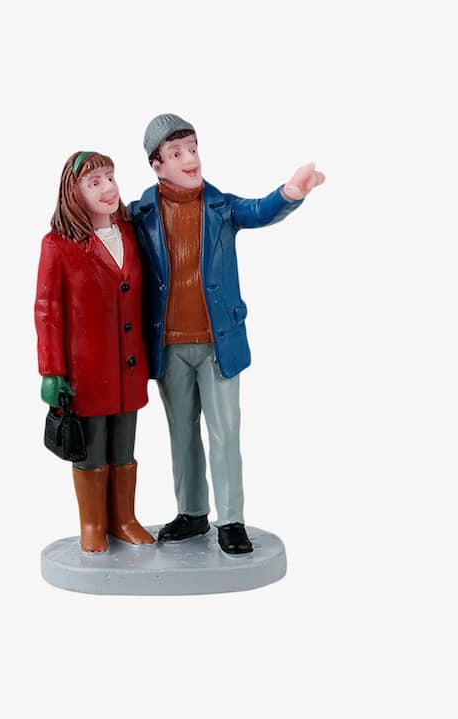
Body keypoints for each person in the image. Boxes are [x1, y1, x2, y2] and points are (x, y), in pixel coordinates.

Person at [129, 114, 325, 554]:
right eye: (176, 153)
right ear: (157, 165)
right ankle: (192, 512)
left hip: (217, 343)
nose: (190, 159)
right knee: (181, 433)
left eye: (193, 148)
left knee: (225, 432)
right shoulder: (140, 215)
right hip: (169, 344)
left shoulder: (221, 208)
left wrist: (290, 193)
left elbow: (259, 210)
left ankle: (231, 519)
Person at [35, 151, 155, 552]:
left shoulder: (129, 234)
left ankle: (123, 519)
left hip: (129, 367)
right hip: (85, 371)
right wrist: (51, 371)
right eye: (95, 182)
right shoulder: (58, 245)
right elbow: (47, 311)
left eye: (110, 177)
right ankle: (93, 523)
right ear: (74, 192)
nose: (108, 188)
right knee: (90, 448)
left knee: (124, 446)